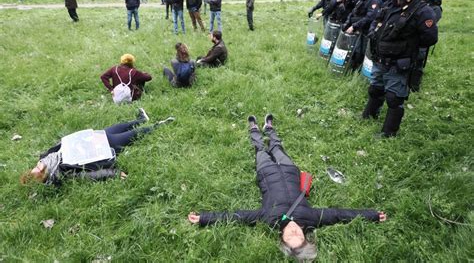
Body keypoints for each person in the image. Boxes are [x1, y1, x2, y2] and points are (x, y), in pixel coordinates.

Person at [188, 114, 387, 261]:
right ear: (305, 235)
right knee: (276, 147)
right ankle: (270, 129)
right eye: (297, 236)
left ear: (282, 237)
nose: (293, 232)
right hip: (289, 170)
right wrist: (372, 215)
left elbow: (238, 217)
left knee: (260, 150)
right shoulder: (311, 218)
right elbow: (339, 214)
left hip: (266, 173)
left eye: (289, 237)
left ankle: (255, 131)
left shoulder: (269, 219)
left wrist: (204, 218)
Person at [363, 0, 438, 137]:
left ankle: (389, 133)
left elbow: (430, 38)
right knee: (375, 89)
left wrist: (408, 41)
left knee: (394, 98)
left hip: (398, 64)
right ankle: (369, 116)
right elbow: (376, 22)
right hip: (380, 59)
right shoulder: (389, 5)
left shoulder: (422, 11)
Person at [21, 109, 175, 186]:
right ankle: (159, 125)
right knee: (131, 135)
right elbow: (89, 176)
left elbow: (64, 142)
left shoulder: (47, 157)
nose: (40, 165)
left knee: (115, 127)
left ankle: (140, 119)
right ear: (46, 175)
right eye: (41, 170)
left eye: (36, 166)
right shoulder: (61, 172)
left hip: (92, 138)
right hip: (102, 149)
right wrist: (113, 173)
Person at [410, 0, 445, 92]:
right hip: (413, 40)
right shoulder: (424, 4)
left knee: (418, 64)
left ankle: (415, 87)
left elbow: (426, 25)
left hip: (422, 41)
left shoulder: (436, 9)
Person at [344, 0, 383, 71]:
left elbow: (370, 17)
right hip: (360, 31)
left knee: (363, 53)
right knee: (357, 51)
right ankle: (353, 70)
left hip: (366, 33)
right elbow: (355, 12)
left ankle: (359, 72)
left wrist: (354, 26)